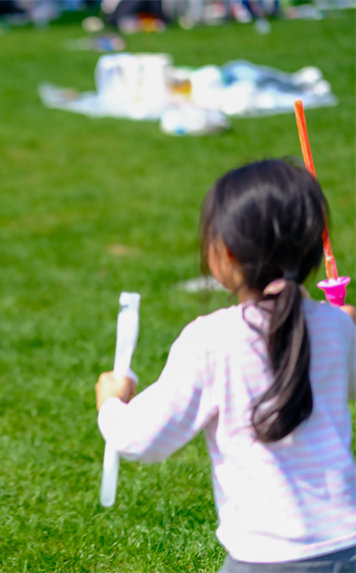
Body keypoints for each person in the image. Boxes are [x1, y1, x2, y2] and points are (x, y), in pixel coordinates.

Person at [95, 158, 356, 572]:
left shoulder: (211, 340)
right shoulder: (335, 327)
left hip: (268, 559)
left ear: (226, 254)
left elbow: (143, 440)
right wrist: (344, 328)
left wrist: (111, 403)